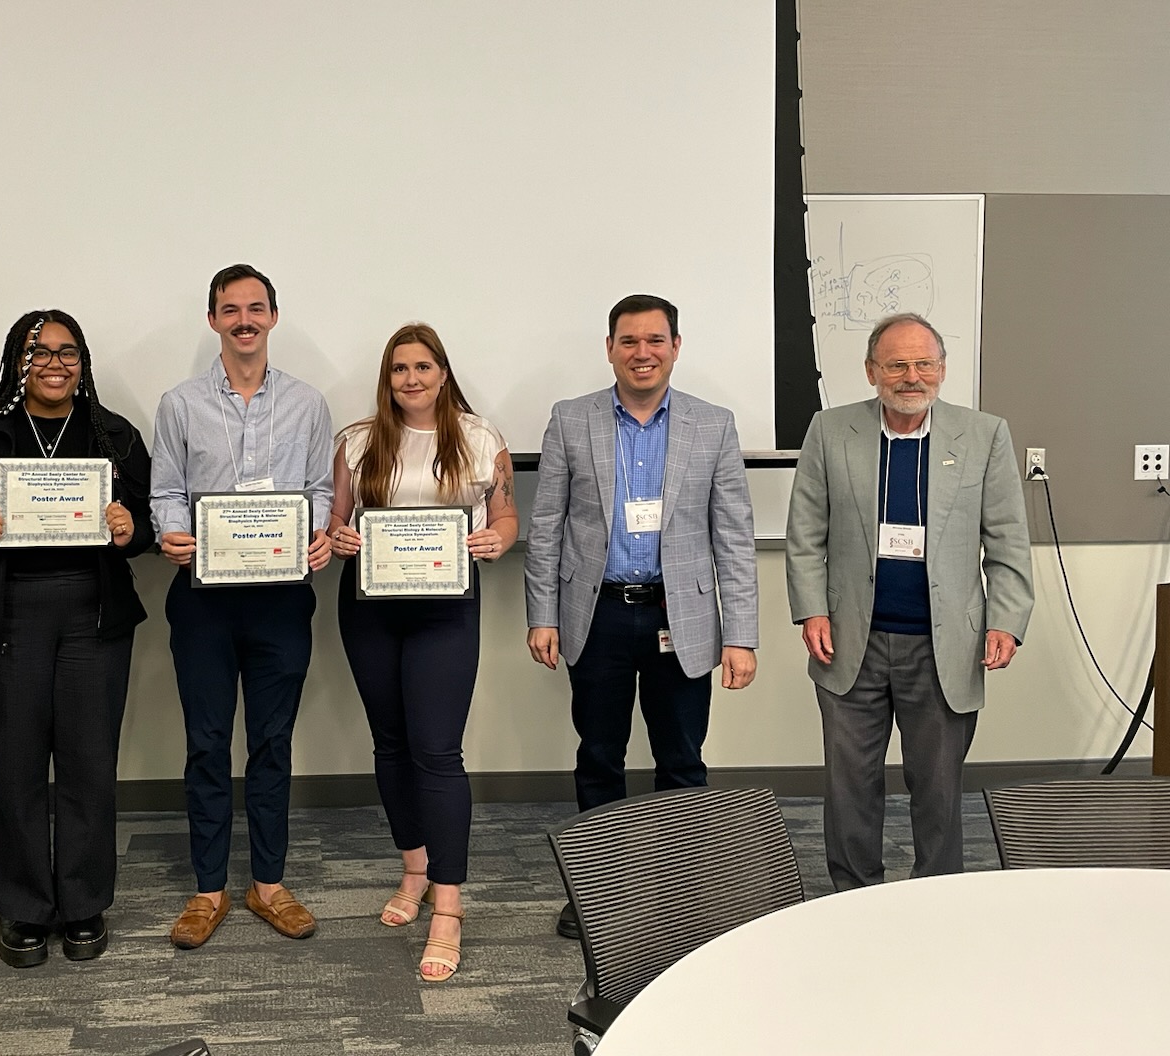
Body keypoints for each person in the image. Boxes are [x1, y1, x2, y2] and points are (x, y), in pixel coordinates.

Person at [524, 294, 758, 940]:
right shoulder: (571, 420)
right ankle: (599, 893)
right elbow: (546, 527)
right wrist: (542, 615)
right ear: (610, 349)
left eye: (656, 340)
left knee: (681, 758)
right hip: (596, 614)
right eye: (628, 341)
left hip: (679, 618)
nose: (642, 353)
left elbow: (733, 536)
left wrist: (741, 635)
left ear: (676, 347)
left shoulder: (713, 425)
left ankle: (681, 892)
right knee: (599, 756)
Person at [0, 311, 153, 967]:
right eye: (39, 352)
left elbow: (147, 524)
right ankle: (24, 907)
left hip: (93, 614)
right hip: (9, 617)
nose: (55, 364)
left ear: (83, 362)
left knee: (89, 765)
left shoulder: (115, 434)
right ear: (16, 362)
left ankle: (83, 902)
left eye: (68, 352)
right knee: (16, 765)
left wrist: (127, 529)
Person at [785, 312, 1032, 891]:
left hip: (945, 646)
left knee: (939, 790)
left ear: (942, 369)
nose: (911, 376)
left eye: (924, 363)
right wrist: (812, 609)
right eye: (896, 364)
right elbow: (805, 535)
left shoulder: (984, 435)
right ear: (871, 370)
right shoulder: (830, 430)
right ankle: (853, 898)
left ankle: (938, 899)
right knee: (849, 787)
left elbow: (1007, 542)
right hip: (851, 641)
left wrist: (1006, 621)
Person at [327, 323, 517, 983]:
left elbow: (506, 518)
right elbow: (337, 520)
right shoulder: (357, 441)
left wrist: (497, 538)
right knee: (390, 744)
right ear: (388, 378)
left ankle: (449, 905)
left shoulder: (481, 437)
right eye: (399, 368)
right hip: (370, 608)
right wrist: (339, 538)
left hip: (445, 612)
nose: (411, 379)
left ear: (443, 373)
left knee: (437, 751)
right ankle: (414, 871)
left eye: (423, 367)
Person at [150, 264, 334, 949]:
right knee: (205, 743)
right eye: (231, 309)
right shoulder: (179, 404)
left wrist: (316, 534)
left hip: (281, 602)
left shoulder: (309, 403)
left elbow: (320, 489)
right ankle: (208, 889)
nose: (244, 320)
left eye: (256, 308)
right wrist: (172, 533)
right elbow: (166, 491)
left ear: (273, 318)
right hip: (203, 601)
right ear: (213, 321)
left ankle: (268, 884)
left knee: (271, 743)